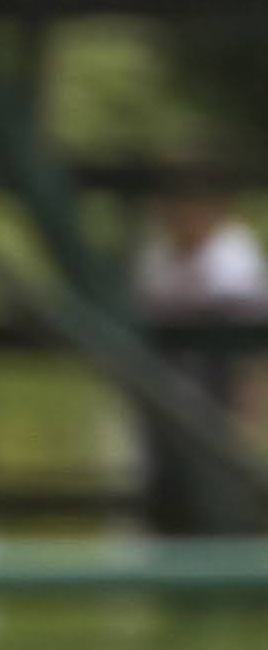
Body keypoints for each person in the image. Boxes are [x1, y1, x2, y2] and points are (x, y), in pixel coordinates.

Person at [132, 171, 267, 540]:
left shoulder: (235, 261)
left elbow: (249, 356)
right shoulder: (156, 257)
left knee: (223, 498)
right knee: (169, 502)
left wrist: (245, 418)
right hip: (167, 398)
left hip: (216, 395)